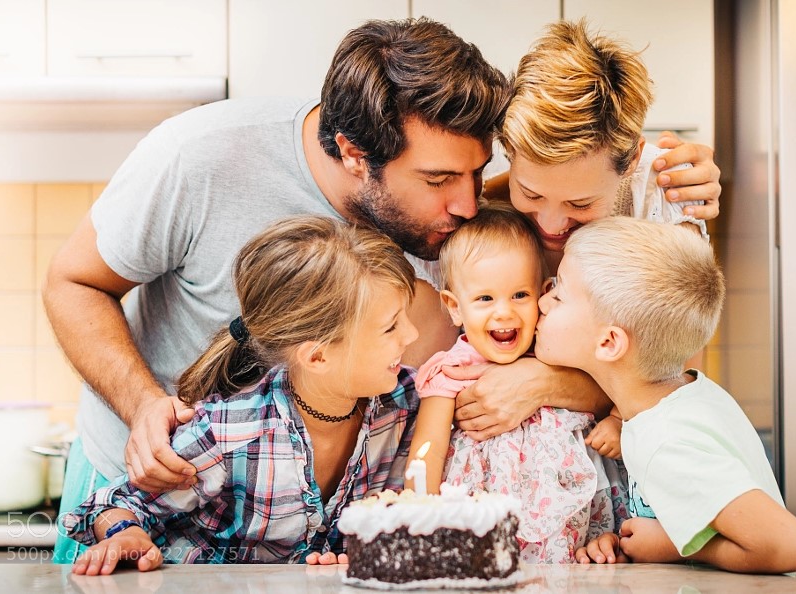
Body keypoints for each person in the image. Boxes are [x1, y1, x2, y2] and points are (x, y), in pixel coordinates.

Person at [43, 17, 720, 562]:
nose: (467, 205)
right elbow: (72, 282)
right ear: (355, 155)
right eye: (437, 181)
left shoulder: (454, 219)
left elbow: (647, 366)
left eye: (480, 172)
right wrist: (142, 408)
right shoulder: (199, 158)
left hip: (323, 521)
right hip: (154, 490)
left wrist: (546, 382)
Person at [64, 216, 420, 574]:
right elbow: (111, 505)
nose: (412, 334)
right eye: (391, 326)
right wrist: (126, 533)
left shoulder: (407, 403)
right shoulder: (230, 429)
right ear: (317, 356)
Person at [453, 19, 720, 445]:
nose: (552, 225)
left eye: (580, 204)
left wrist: (544, 382)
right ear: (508, 154)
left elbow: (675, 378)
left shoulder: (664, 193)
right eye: (530, 193)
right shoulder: (476, 193)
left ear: (631, 162)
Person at [535, 217, 796, 574]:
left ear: (608, 342)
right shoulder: (684, 396)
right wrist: (631, 545)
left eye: (559, 295)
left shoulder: (666, 441)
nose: (542, 303)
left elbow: (787, 545)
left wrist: (674, 547)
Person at [407, 203, 626, 563]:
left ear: (543, 293)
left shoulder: (557, 352)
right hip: (481, 528)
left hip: (574, 529)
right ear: (454, 306)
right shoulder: (452, 370)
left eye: (519, 295)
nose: (504, 311)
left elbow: (618, 381)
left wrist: (616, 420)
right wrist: (422, 526)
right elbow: (425, 454)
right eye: (485, 298)